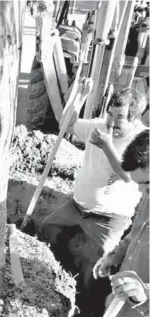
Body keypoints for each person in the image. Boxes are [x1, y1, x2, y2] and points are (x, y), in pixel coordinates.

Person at [41, 79, 148, 289]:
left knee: (101, 265)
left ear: (134, 119)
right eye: (110, 114)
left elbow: (128, 176)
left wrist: (107, 146)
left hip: (110, 218)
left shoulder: (141, 139)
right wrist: (80, 97)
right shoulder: (98, 127)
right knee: (47, 228)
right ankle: (52, 280)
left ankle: (87, 307)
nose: (111, 123)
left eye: (119, 118)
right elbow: (66, 124)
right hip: (76, 207)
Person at [93, 128, 149, 317]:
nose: (142, 193)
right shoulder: (147, 198)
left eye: (147, 185)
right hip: (123, 296)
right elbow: (135, 233)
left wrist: (144, 295)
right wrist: (114, 256)